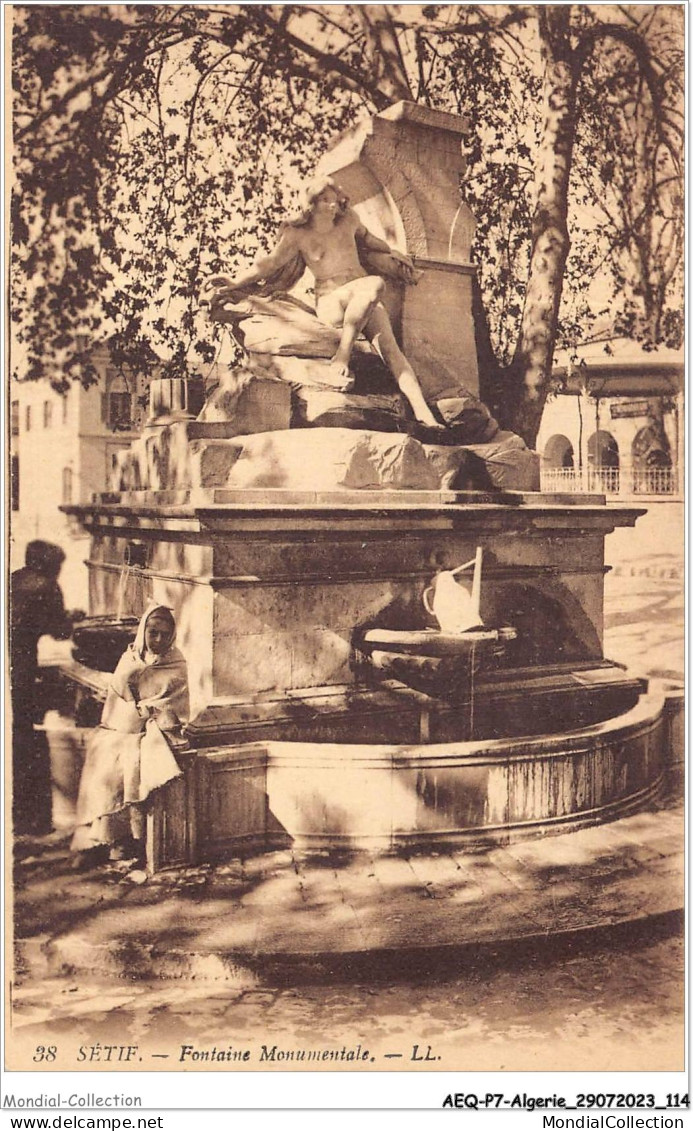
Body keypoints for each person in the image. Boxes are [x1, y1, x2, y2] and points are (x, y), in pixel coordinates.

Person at [207, 175, 445, 430]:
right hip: (332, 302)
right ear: (311, 203)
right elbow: (269, 264)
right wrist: (234, 282)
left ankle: (423, 414)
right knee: (374, 284)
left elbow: (371, 241)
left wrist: (393, 252)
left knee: (393, 353)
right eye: (325, 200)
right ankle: (341, 356)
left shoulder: (349, 220)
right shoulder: (297, 234)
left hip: (363, 299)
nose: (333, 205)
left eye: (335, 200)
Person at [70, 602, 189, 871]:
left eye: (164, 634)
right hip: (120, 728)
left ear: (172, 635)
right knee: (105, 753)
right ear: (143, 632)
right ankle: (100, 838)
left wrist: (150, 712)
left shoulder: (176, 664)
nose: (157, 640)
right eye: (152, 633)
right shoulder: (130, 658)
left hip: (152, 731)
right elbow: (115, 703)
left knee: (135, 757)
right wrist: (130, 687)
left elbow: (176, 707)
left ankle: (129, 840)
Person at [10, 540, 81, 835]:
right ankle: (34, 821)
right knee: (28, 743)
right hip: (21, 670)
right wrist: (74, 618)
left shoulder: (13, 579)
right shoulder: (47, 586)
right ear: (50, 565)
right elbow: (59, 631)